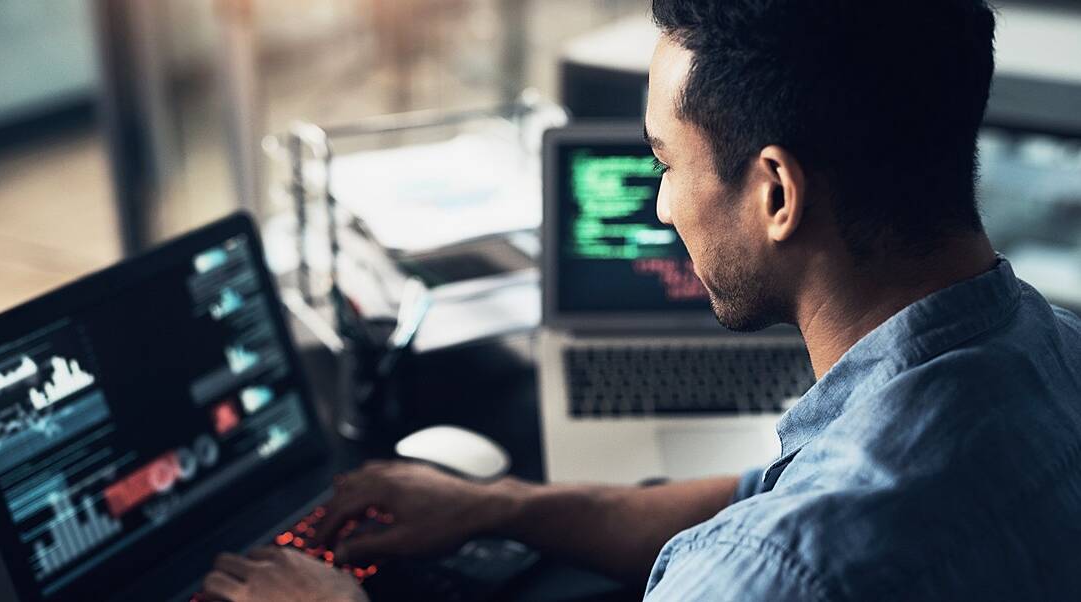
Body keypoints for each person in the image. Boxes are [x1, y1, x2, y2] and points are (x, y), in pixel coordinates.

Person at [201, 1, 1081, 600]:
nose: (661, 206)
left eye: (666, 163)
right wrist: (506, 506)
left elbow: (775, 541)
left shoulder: (762, 576)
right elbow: (755, 494)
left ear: (776, 193)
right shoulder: (1055, 352)